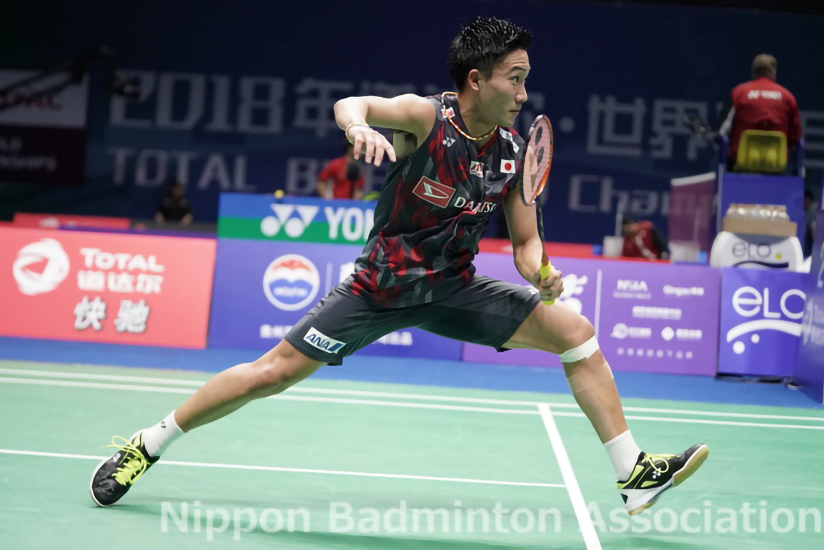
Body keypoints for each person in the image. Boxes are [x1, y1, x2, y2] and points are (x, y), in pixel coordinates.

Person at [90, 17, 708, 516]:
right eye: (515, 80)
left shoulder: (515, 152)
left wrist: (540, 272)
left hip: (453, 289)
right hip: (379, 289)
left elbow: (526, 244)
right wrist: (359, 127)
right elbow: (351, 103)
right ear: (476, 79)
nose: (524, 95)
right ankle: (148, 444)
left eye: (527, 81)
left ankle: (632, 473)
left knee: (576, 332)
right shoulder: (426, 119)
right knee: (270, 374)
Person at [719, 54, 802, 170]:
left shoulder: (738, 93)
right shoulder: (787, 97)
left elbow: (723, 131)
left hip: (741, 164)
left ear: (753, 72)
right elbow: (795, 135)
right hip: (775, 164)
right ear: (773, 72)